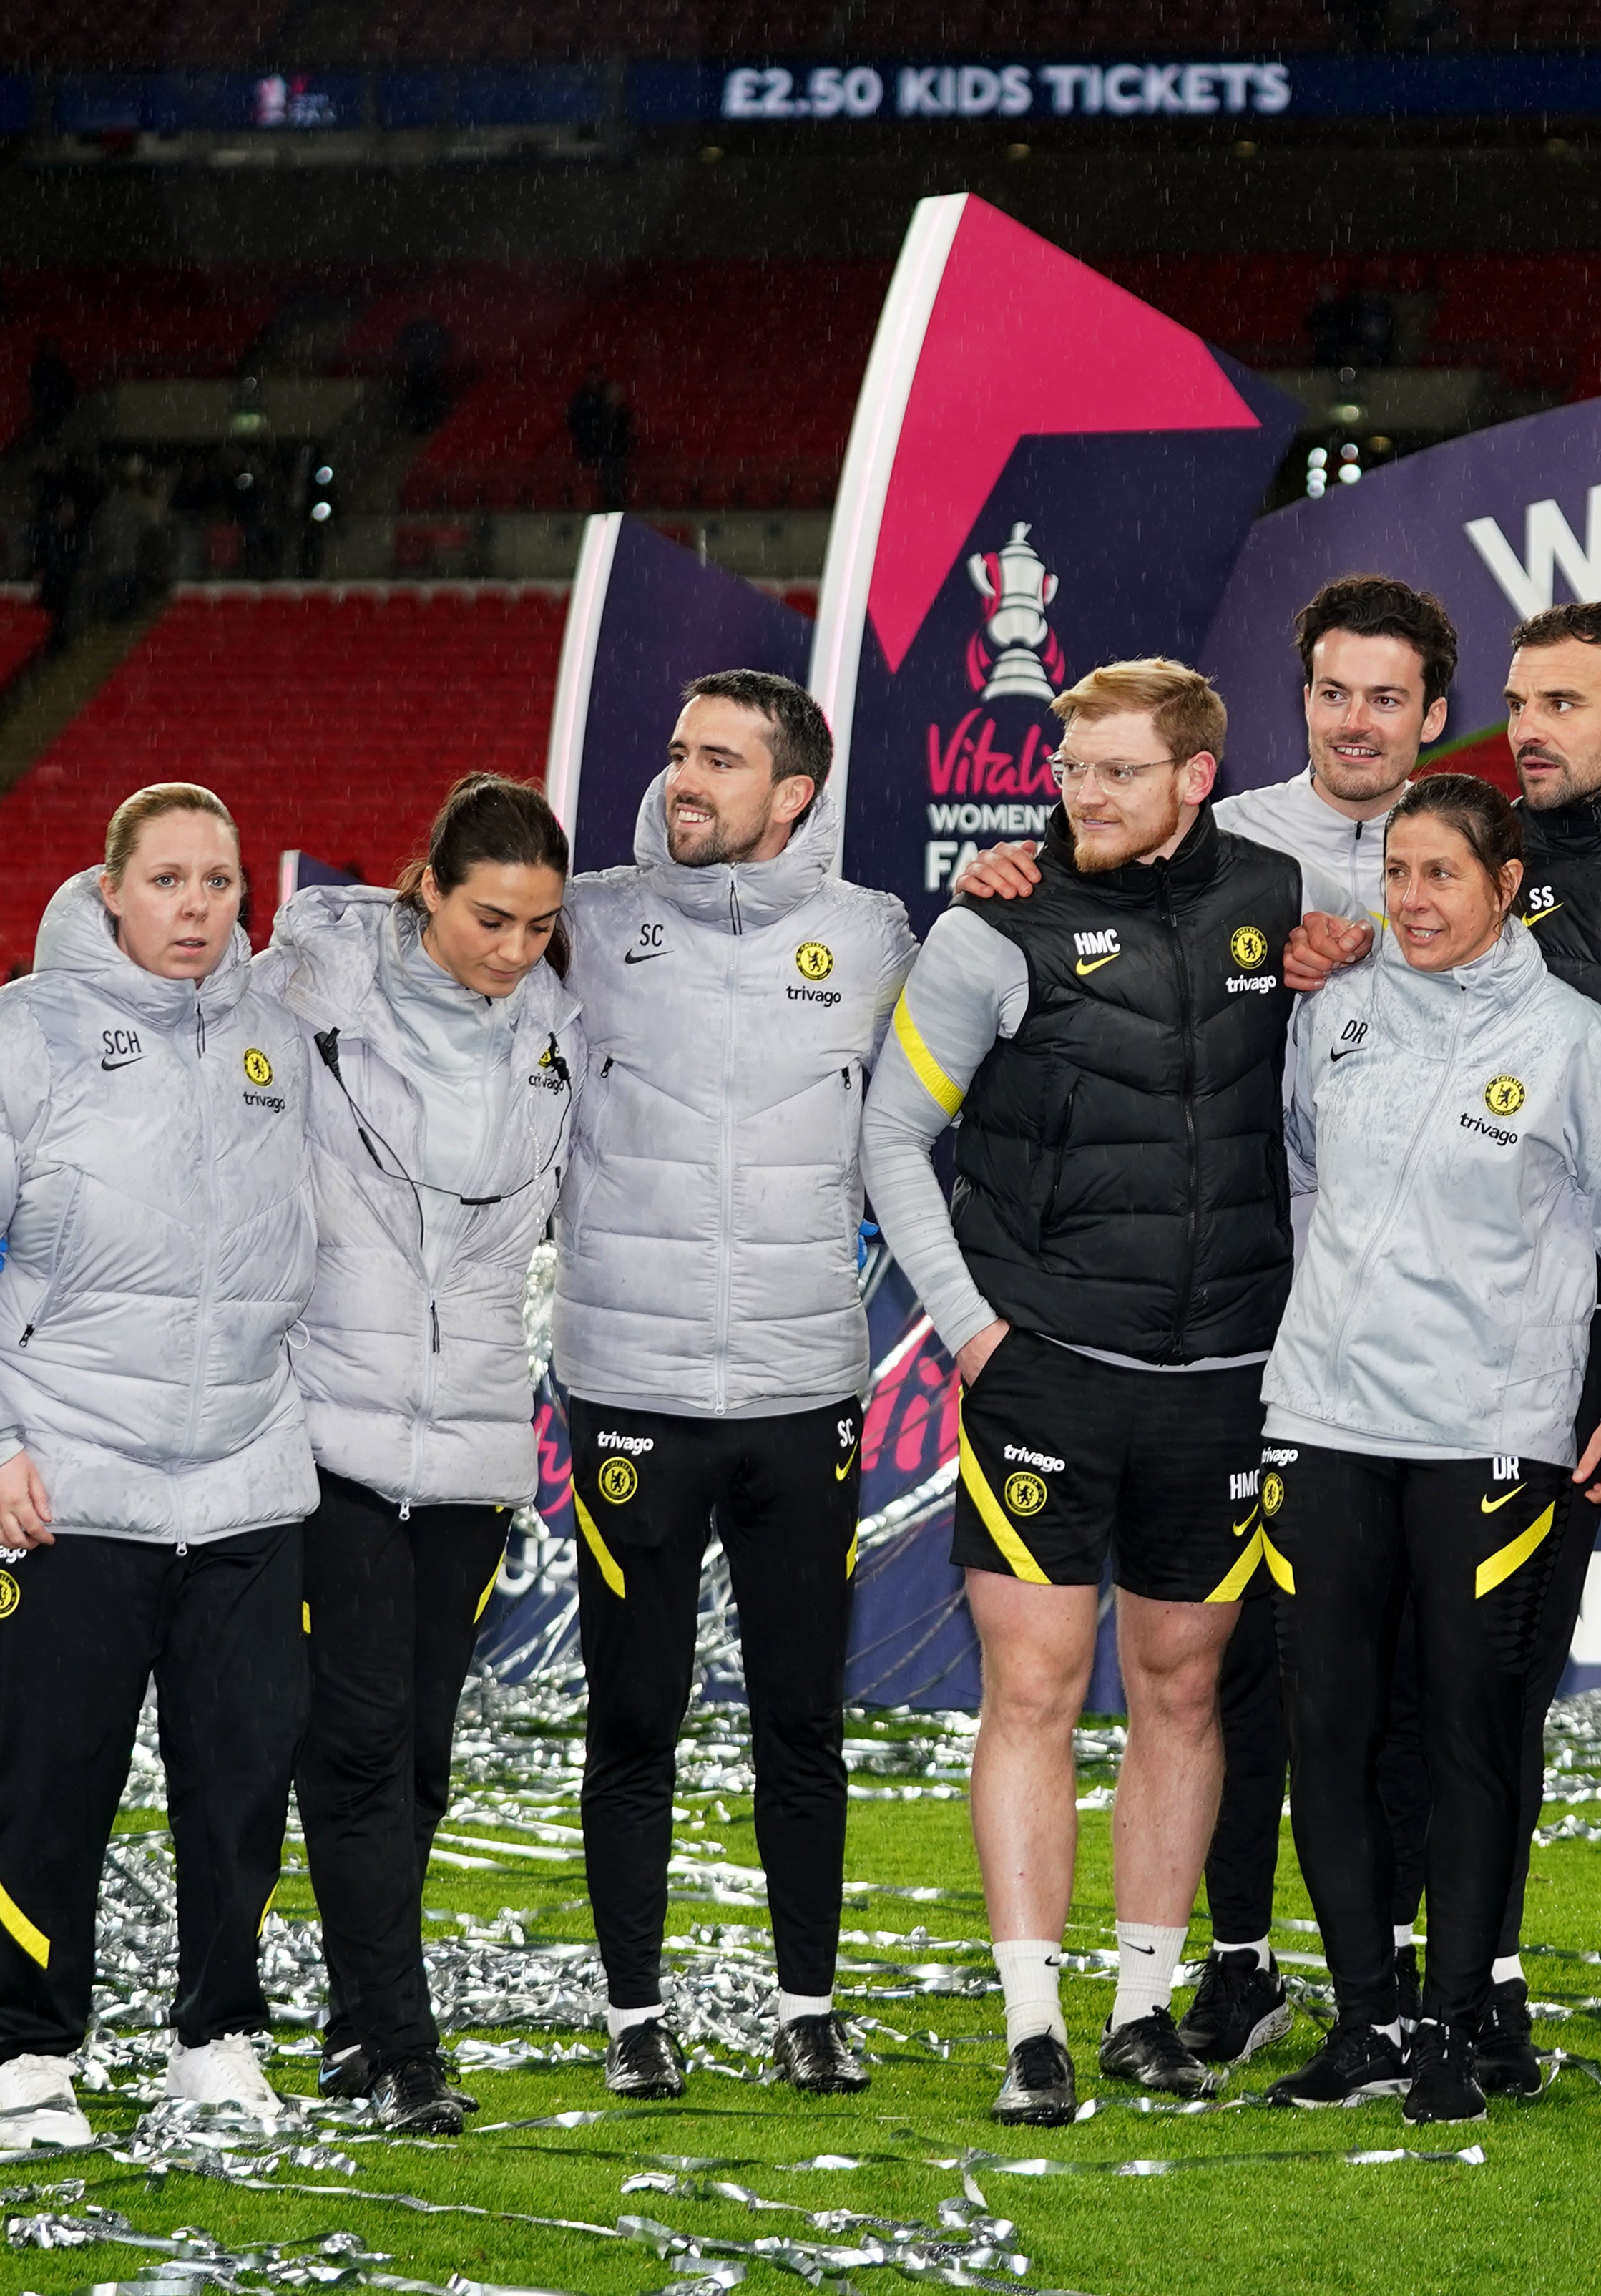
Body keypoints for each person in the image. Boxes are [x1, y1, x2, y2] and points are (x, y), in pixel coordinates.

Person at [1285, 598, 1601, 2100]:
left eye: (1563, 704)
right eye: (1518, 702)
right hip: (1518, 1330)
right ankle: (1475, 1991)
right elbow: (1320, 1155)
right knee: (1468, 1689)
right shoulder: (1473, 871)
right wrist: (1343, 942)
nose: (1530, 727)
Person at [948, 573, 1462, 2066]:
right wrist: (971, 1326)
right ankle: (1110, 2000)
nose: (1357, 719)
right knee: (1136, 1683)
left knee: (1314, 1681)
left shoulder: (1437, 862)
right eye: (1332, 690)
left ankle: (1328, 1990)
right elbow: (901, 1121)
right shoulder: (1203, 861)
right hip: (1084, 1351)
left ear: (1433, 715)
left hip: (1291, 1348)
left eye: (1388, 695)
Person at [860, 658, 1300, 2126]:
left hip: (1224, 1379)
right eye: (1071, 768)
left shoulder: (1278, 901)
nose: (1082, 795)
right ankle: (1034, 2024)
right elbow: (892, 1136)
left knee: (1182, 1691)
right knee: (1034, 1690)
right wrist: (975, 1334)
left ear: (1194, 777)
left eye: (1117, 771)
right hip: (1044, 1369)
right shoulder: (993, 924)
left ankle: (1142, 2008)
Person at [0, 783, 317, 2146]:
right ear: (111, 887)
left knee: (241, 1781)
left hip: (245, 1484)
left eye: (221, 881)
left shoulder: (278, 1039)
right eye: (170, 880)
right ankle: (28, 2051)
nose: (198, 908)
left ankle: (220, 2037)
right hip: (59, 1485)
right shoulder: (21, 1033)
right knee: (53, 1781)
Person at [1260, 771, 1601, 2124]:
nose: (1413, 901)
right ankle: (1362, 2021)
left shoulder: (1573, 1042)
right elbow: (1309, 1182)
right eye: (1397, 874)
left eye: (1443, 875)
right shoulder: (1333, 1015)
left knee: (1466, 1736)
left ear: (1507, 886)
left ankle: (1455, 2031)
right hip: (1324, 1419)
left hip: (1489, 1434)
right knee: (1325, 1732)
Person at [558, 669, 913, 2101]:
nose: (686, 776)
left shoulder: (874, 935)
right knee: (634, 1717)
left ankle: (806, 2007)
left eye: (720, 759)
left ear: (794, 794)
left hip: (800, 1388)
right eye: (678, 749)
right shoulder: (585, 921)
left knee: (799, 1723)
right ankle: (634, 2016)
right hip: (628, 1383)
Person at [253, 775, 577, 2135]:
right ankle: (402, 2045)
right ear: (425, 888)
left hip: (475, 1443)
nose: (514, 949)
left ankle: (347, 2017)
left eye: (540, 925)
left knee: (423, 1754)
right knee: (364, 1734)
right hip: (326, 1423)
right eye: (490, 917)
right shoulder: (309, 982)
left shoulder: (560, 1019)